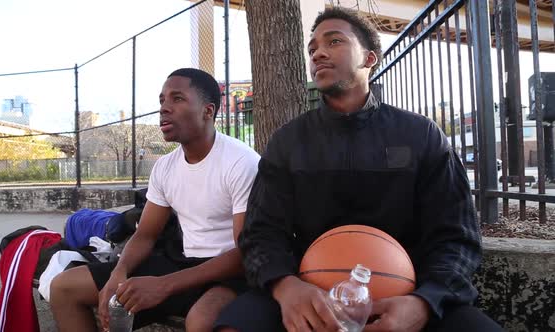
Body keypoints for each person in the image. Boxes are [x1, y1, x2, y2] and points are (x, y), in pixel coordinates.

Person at [214, 7, 503, 332]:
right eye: (312, 49)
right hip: (308, 291)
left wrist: (425, 301)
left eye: (334, 41)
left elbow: (457, 237)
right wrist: (285, 287)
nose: (318, 52)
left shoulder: (421, 135)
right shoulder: (288, 141)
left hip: (407, 293)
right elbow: (261, 233)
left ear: (369, 58)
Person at [50, 68, 260, 332]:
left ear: (208, 111)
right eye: (162, 101)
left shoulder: (241, 162)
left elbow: (246, 253)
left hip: (229, 273)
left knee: (201, 322)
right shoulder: (165, 167)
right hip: (182, 261)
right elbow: (146, 234)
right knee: (64, 288)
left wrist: (164, 285)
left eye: (177, 99)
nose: (164, 108)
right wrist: (119, 273)